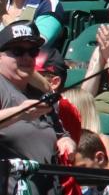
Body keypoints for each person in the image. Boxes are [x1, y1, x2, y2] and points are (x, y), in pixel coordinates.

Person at [0, 21, 66, 167]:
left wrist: (65, 141)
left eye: (33, 51)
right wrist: (20, 113)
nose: (27, 57)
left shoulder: (39, 93)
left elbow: (60, 133)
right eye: (18, 51)